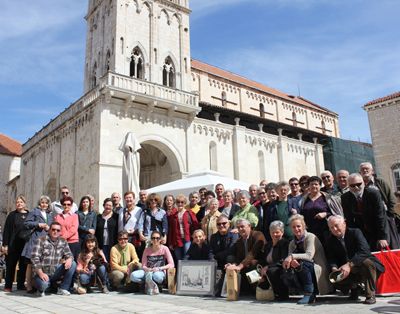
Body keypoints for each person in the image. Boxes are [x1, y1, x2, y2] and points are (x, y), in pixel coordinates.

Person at [326, 215, 384, 305]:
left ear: (344, 224)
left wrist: (349, 264)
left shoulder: (355, 232)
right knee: (332, 278)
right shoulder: (330, 240)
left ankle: (370, 295)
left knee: (367, 263)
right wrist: (334, 268)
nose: (334, 229)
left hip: (361, 264)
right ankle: (354, 288)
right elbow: (331, 257)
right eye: (331, 227)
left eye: (336, 225)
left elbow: (365, 251)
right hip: (345, 269)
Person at [282, 214, 331, 304]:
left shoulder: (310, 237)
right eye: (293, 227)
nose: (296, 229)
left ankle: (310, 294)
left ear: (304, 226)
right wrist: (292, 261)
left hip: (317, 267)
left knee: (303, 264)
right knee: (294, 265)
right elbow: (289, 258)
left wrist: (293, 257)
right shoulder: (292, 243)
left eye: (298, 226)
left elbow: (309, 256)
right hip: (303, 267)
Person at [341, 173, 388, 251]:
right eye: (352, 185)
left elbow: (380, 216)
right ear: (348, 186)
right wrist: (354, 238)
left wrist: (382, 237)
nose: (356, 187)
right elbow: (349, 219)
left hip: (376, 230)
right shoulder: (345, 198)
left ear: (363, 182)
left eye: (359, 184)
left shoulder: (373, 194)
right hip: (360, 232)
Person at [31, 221, 76, 296]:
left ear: (60, 232)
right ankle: (43, 287)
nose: (55, 232)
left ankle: (63, 288)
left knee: (73, 264)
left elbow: (69, 254)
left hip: (55, 272)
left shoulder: (63, 241)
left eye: (58, 230)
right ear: (49, 230)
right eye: (53, 229)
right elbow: (34, 258)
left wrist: (69, 259)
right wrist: (40, 273)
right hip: (42, 272)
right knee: (43, 285)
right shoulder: (41, 240)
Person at [225, 218, 266, 294]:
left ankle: (257, 289)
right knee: (231, 262)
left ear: (249, 226)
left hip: (260, 263)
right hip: (246, 265)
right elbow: (239, 258)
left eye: (242, 226)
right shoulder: (239, 241)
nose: (240, 229)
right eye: (238, 227)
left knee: (252, 263)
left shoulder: (258, 235)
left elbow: (253, 253)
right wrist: (233, 265)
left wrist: (239, 266)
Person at [299, 176, 343, 245]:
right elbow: (301, 214)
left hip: (326, 232)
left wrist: (326, 214)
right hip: (310, 233)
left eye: (316, 184)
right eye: (311, 184)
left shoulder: (328, 198)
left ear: (320, 186)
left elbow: (337, 214)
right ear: (308, 186)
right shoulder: (304, 200)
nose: (314, 186)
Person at [22, 195, 53, 293]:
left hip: (45, 241)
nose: (44, 204)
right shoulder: (34, 212)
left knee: (40, 263)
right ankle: (29, 286)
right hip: (34, 240)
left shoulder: (49, 214)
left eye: (46, 203)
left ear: (48, 204)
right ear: (39, 203)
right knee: (31, 264)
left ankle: (37, 283)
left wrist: (49, 228)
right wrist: (37, 224)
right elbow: (26, 224)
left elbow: (52, 227)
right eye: (42, 202)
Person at [2, 195, 30, 292]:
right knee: (11, 265)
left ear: (25, 204)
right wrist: (5, 245)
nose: (19, 204)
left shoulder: (29, 215)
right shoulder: (11, 215)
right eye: (17, 202)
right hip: (13, 244)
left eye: (21, 202)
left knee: (23, 265)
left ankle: (20, 285)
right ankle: (8, 285)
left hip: (25, 245)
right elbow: (6, 230)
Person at [259, 221, 289, 300]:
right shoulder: (268, 245)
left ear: (282, 232)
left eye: (277, 232)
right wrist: (261, 268)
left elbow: (282, 260)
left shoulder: (285, 243)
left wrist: (267, 267)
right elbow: (263, 259)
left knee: (272, 271)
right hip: (267, 268)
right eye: (273, 232)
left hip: (278, 267)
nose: (275, 234)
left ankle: (281, 294)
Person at [54, 196, 80, 261]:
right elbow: (56, 229)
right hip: (61, 243)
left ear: (71, 205)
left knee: (73, 262)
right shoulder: (58, 216)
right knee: (62, 262)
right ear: (62, 205)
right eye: (64, 204)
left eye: (68, 204)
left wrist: (63, 237)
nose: (66, 206)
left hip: (73, 242)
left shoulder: (75, 216)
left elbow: (73, 229)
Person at [118, 191, 143, 256]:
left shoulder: (139, 210)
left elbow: (141, 223)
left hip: (133, 237)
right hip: (122, 238)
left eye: (130, 197)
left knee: (134, 256)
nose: (128, 199)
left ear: (134, 199)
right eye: (126, 198)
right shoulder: (121, 210)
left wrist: (136, 230)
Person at [96, 198, 119, 262]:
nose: (108, 207)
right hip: (101, 245)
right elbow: (96, 232)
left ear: (113, 207)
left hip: (113, 245)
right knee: (103, 262)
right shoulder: (98, 217)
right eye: (107, 205)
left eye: (110, 205)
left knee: (112, 262)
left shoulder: (116, 217)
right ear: (103, 206)